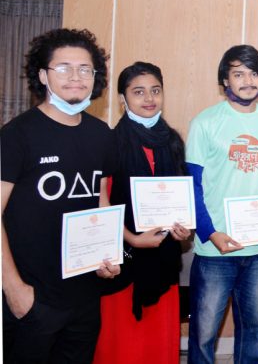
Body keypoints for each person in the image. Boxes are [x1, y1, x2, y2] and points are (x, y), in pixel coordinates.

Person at [1, 28, 121, 363]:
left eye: (85, 69)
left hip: (84, 296)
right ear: (43, 75)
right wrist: (14, 289)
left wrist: (107, 255)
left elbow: (99, 199)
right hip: (32, 297)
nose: (76, 77)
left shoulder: (101, 134)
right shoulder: (16, 135)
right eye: (64, 67)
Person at [186, 45, 258, 364]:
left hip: (257, 248)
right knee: (204, 333)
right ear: (225, 80)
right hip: (215, 249)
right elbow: (192, 185)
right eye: (238, 74)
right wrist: (210, 233)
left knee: (257, 329)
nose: (248, 81)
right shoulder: (205, 122)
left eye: (254, 73)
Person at [93, 62, 191, 364]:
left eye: (155, 90)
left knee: (158, 342)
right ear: (122, 98)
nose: (149, 98)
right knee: (124, 344)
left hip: (163, 258)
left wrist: (184, 229)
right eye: (138, 92)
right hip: (123, 260)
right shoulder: (110, 141)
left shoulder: (173, 140)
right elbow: (102, 203)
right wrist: (133, 239)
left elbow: (181, 196)